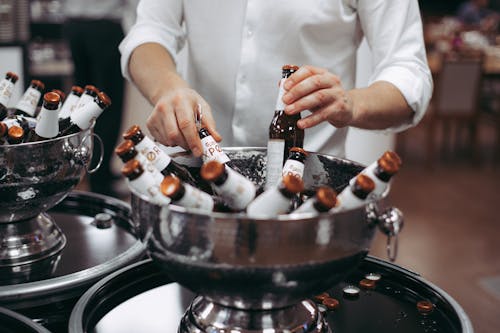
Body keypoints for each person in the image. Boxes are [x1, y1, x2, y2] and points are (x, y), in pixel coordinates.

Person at [119, 1, 433, 159]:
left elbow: (408, 71)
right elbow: (150, 31)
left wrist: (353, 104)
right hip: (202, 179)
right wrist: (167, 88)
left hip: (310, 192)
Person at [63, 0, 136, 197]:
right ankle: (99, 178)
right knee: (106, 105)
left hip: (74, 26)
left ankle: (83, 169)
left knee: (84, 101)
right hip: (105, 26)